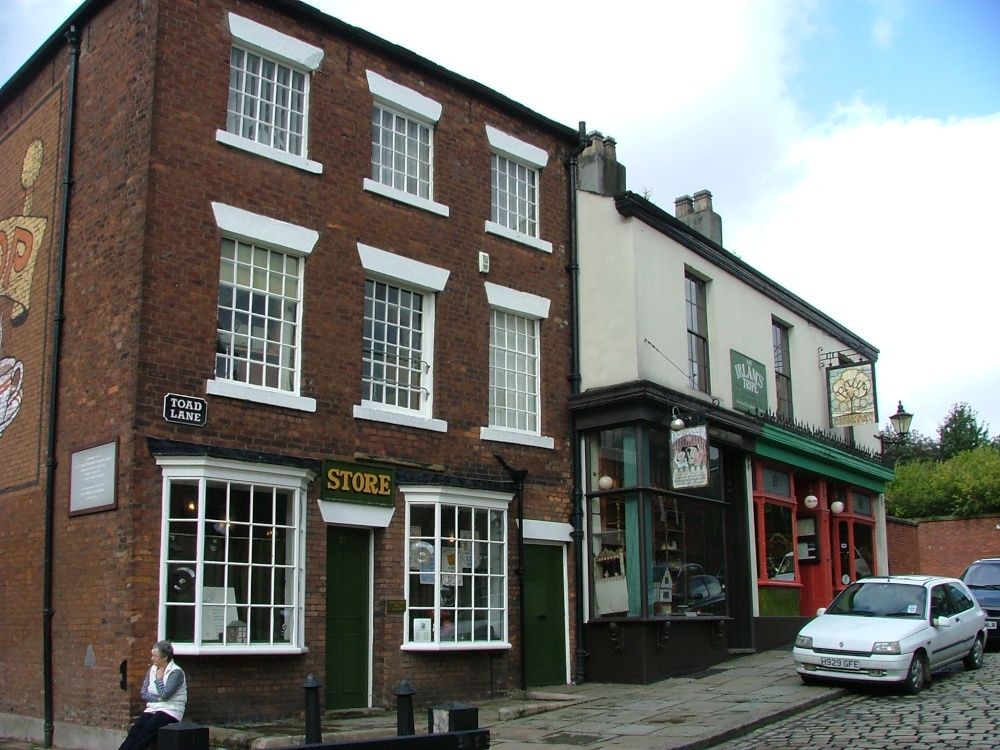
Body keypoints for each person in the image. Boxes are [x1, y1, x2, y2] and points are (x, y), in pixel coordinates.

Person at [117, 640, 188, 750]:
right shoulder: (152, 669)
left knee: (146, 732)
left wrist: (159, 679)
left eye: (155, 656)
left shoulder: (176, 673)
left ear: (165, 658)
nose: (152, 658)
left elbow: (166, 695)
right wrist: (158, 699)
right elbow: (144, 693)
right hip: (153, 708)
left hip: (170, 710)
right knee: (135, 730)